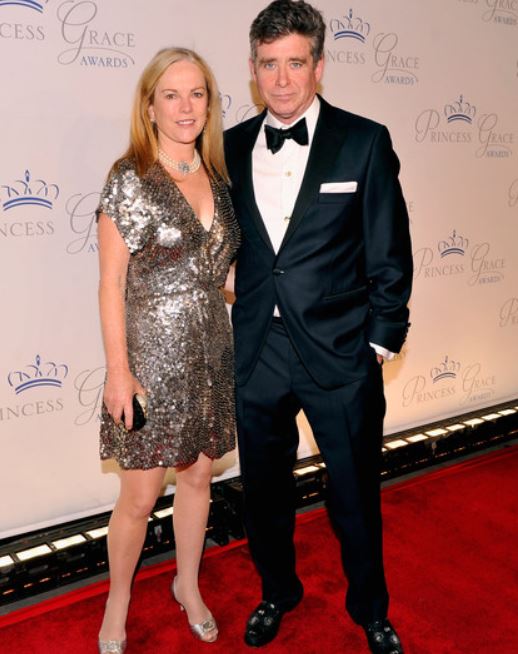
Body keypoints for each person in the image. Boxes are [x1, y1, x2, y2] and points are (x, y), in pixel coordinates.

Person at [224, 1, 412, 652]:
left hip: (339, 352)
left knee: (356, 493)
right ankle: (278, 591)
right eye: (269, 65)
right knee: (265, 494)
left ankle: (371, 608)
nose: (281, 79)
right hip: (258, 356)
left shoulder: (362, 141)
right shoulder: (226, 149)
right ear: (253, 70)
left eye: (295, 63)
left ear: (319, 66)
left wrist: (382, 338)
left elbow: (389, 249)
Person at [96, 47, 240, 653]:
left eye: (198, 94)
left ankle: (187, 584)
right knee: (139, 495)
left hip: (211, 352)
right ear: (150, 107)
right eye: (172, 95)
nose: (186, 107)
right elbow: (110, 283)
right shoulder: (129, 177)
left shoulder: (222, 180)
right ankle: (119, 599)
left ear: (210, 104)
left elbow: (218, 275)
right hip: (150, 362)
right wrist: (119, 373)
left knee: (200, 478)